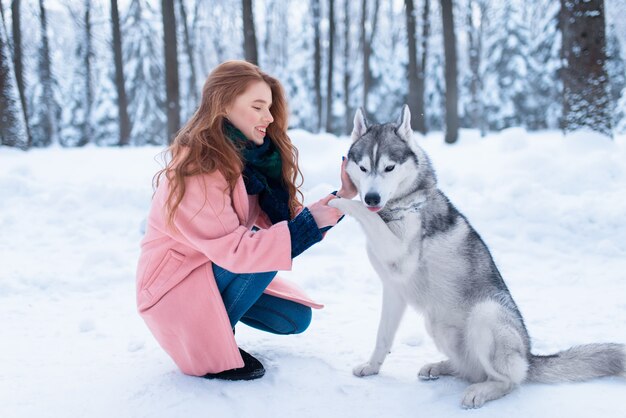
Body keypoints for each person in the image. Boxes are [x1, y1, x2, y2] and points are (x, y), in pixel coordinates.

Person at [136, 60, 357, 381]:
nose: (268, 117)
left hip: (214, 269)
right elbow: (241, 251)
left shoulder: (251, 161)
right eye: (257, 107)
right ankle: (211, 345)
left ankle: (217, 325)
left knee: (295, 319)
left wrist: (342, 199)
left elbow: (286, 222)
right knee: (260, 257)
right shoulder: (199, 167)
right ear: (224, 105)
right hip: (172, 289)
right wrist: (307, 227)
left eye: (269, 107)